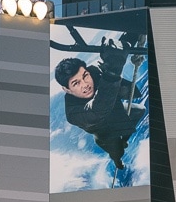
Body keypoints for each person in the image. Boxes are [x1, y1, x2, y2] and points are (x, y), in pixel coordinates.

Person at [54, 38, 145, 169]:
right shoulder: (73, 113)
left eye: (85, 76)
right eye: (76, 83)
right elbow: (97, 110)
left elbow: (116, 50)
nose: (85, 85)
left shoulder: (95, 72)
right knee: (117, 151)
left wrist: (128, 38)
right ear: (67, 89)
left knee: (139, 110)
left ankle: (124, 139)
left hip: (115, 112)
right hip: (104, 134)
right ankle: (117, 160)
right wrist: (112, 73)